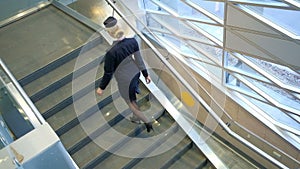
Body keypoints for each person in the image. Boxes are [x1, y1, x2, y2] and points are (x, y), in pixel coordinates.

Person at [96, 16, 153, 132]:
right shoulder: (132, 41)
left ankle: (146, 121)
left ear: (110, 34)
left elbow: (108, 72)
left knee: (130, 101)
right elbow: (139, 59)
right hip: (135, 73)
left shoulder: (111, 52)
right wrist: (146, 74)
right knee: (132, 94)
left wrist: (101, 88)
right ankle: (136, 116)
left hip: (124, 79)